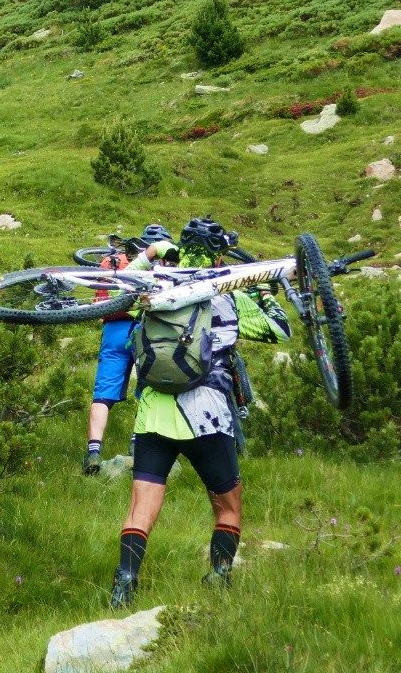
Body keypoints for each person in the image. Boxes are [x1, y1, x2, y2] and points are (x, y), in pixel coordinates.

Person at [109, 218, 291, 605]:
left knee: (141, 508)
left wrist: (151, 253)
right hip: (207, 412)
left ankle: (125, 581)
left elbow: (116, 288)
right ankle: (220, 579)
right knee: (228, 505)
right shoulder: (230, 295)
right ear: (221, 254)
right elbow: (281, 330)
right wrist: (259, 288)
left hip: (154, 409)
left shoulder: (156, 283)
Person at [84, 224, 173, 475]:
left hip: (113, 330)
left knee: (103, 393)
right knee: (147, 387)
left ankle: (93, 452)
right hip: (144, 328)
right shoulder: (164, 263)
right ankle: (137, 445)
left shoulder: (118, 260)